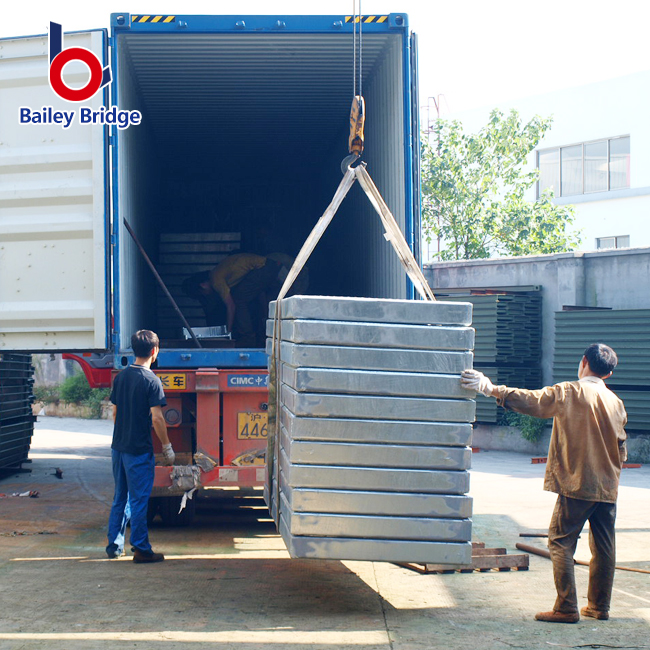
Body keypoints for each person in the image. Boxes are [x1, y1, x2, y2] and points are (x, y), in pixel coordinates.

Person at [461, 343, 627, 624]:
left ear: (583, 361)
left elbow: (533, 401)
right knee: (604, 546)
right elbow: (621, 448)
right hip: (608, 485)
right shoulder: (616, 402)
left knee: (560, 542)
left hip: (579, 483)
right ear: (608, 374)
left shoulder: (570, 392)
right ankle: (599, 608)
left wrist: (490, 388)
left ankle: (566, 608)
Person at [106, 330, 175, 563]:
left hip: (119, 447)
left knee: (120, 497)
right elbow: (157, 418)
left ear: (134, 350)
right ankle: (141, 548)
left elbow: (115, 411)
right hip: (138, 450)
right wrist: (167, 447)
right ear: (155, 351)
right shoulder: (151, 380)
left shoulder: (121, 377)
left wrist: (124, 434)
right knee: (138, 499)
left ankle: (114, 546)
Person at [182, 252, 307, 347]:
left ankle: (248, 337)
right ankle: (261, 334)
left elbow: (231, 306)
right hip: (270, 266)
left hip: (264, 268)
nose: (206, 295)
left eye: (203, 294)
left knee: (239, 300)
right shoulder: (222, 273)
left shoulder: (216, 280)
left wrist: (228, 333)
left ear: (203, 285)